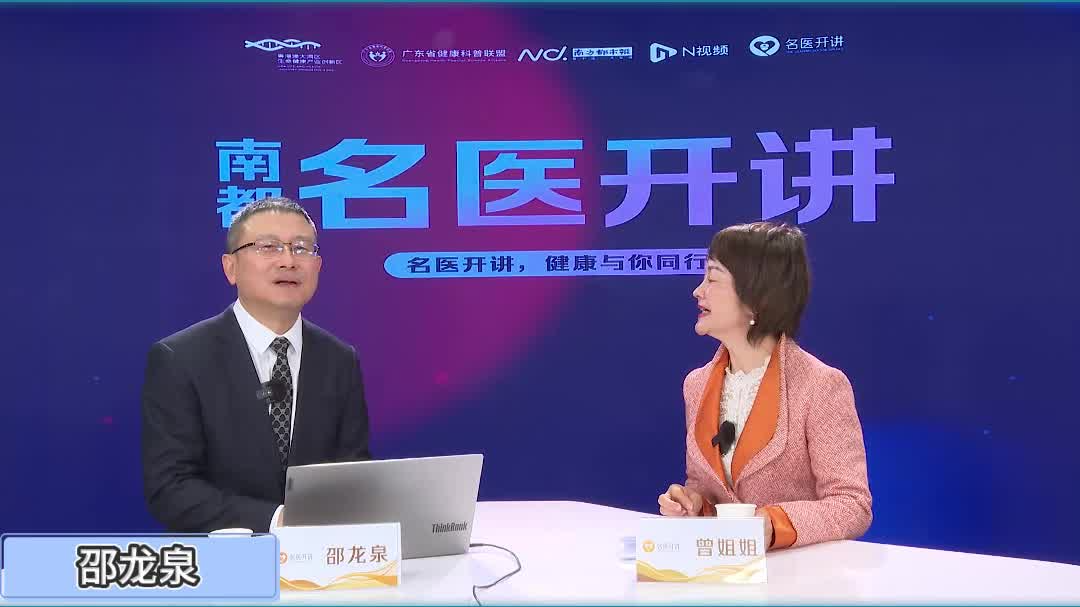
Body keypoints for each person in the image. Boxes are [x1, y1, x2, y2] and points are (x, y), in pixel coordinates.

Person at [142, 197, 372, 532]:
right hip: (223, 556)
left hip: (322, 558)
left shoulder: (339, 359)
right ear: (230, 267)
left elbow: (353, 473)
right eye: (268, 247)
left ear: (318, 266)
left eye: (301, 248)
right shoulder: (180, 358)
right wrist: (277, 519)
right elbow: (170, 487)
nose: (288, 261)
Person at [658, 222, 871, 550]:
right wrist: (693, 504)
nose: (698, 291)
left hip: (799, 575)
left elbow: (852, 505)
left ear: (756, 296)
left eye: (712, 278)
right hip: (721, 571)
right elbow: (709, 489)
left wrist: (774, 525)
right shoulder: (696, 384)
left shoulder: (821, 385)